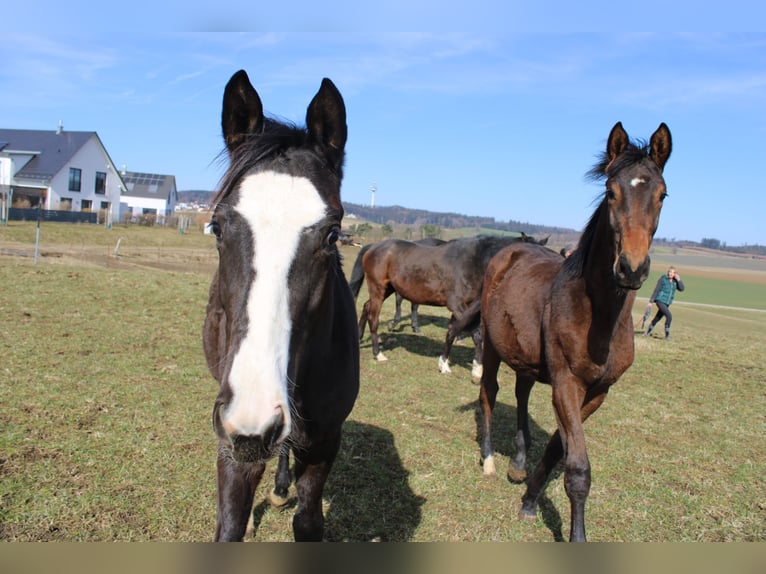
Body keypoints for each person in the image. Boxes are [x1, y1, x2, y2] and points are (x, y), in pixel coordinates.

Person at [645, 266, 685, 340]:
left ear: (675, 274)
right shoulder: (663, 279)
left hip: (667, 303)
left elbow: (682, 289)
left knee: (658, 317)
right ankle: (667, 335)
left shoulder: (674, 282)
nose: (670, 273)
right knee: (669, 316)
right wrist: (651, 301)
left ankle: (647, 332)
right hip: (660, 301)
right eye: (669, 272)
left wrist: (679, 279)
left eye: (672, 272)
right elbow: (656, 290)